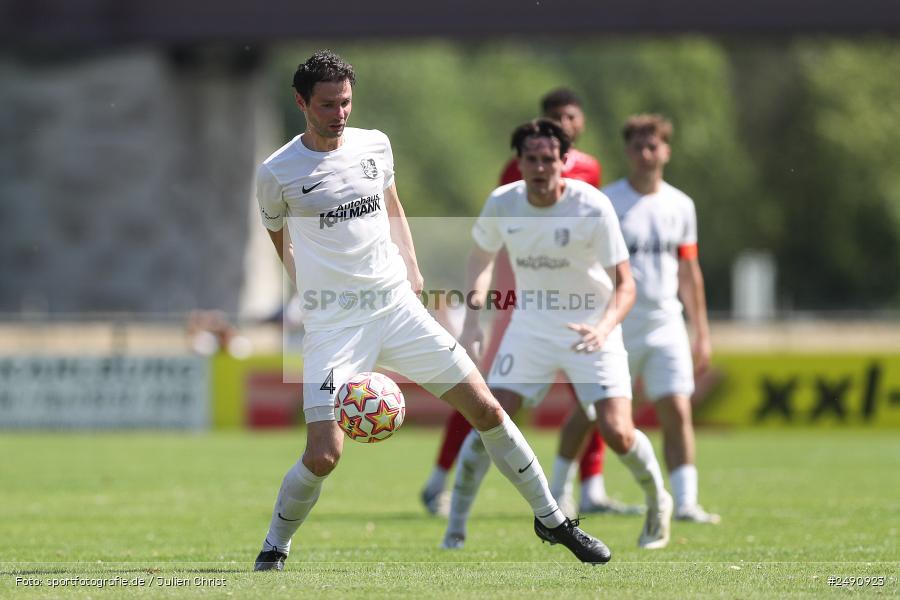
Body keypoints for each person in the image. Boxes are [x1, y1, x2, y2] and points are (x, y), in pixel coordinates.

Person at [252, 50, 611, 571]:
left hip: (397, 306)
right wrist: (307, 294)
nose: (340, 114)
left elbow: (393, 205)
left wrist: (413, 270)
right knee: (324, 455)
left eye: (346, 102)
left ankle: (552, 519)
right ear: (300, 102)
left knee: (486, 409)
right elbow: (277, 234)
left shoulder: (375, 145)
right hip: (335, 325)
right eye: (327, 104)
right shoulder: (278, 171)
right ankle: (275, 546)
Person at [441, 118, 673, 552]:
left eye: (549, 159)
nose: (541, 168)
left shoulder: (592, 205)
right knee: (487, 423)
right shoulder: (503, 203)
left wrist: (604, 328)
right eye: (532, 159)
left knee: (617, 432)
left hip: (591, 326)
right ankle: (454, 528)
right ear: (520, 162)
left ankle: (659, 501)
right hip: (530, 328)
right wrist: (473, 318)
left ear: (565, 161)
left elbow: (626, 284)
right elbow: (480, 257)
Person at [421, 89, 639, 519]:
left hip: (579, 302)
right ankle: (439, 480)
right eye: (557, 117)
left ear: (579, 126)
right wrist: (489, 306)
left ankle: (587, 487)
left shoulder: (590, 171)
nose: (566, 123)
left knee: (593, 399)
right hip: (521, 298)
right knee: (484, 393)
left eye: (572, 117)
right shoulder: (518, 172)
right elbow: (497, 241)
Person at [554, 114, 720, 524]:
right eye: (638, 146)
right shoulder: (607, 201)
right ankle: (558, 493)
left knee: (677, 409)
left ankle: (685, 502)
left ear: (666, 150)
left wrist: (701, 332)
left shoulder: (681, 205)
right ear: (627, 152)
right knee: (591, 412)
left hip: (667, 322)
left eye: (654, 145)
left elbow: (689, 271)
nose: (646, 153)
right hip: (617, 324)